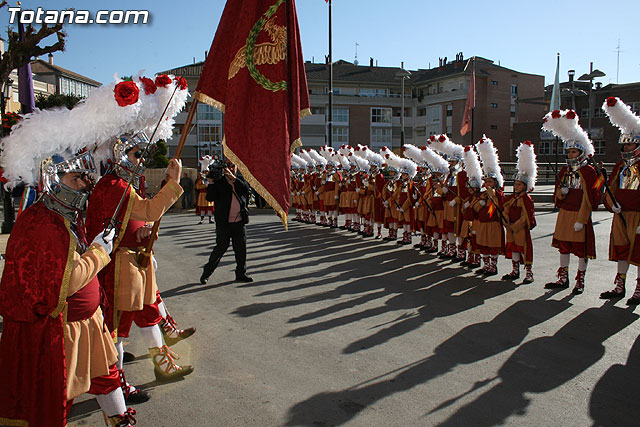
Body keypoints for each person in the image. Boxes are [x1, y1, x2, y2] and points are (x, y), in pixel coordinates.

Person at [0, 151, 135, 427]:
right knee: (60, 393)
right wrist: (99, 252)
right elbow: (65, 282)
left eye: (85, 178)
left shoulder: (66, 216)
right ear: (52, 180)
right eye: (76, 179)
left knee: (107, 375)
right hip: (61, 329)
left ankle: (119, 419)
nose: (85, 185)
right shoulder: (40, 222)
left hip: (89, 322)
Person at [86, 133, 195, 386]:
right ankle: (116, 384)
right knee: (116, 331)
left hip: (132, 264)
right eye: (137, 154)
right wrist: (174, 182)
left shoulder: (119, 185)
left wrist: (140, 231)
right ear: (121, 155)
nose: (142, 160)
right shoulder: (115, 187)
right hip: (118, 269)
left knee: (143, 317)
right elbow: (150, 209)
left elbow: (132, 220)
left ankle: (154, 364)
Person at [543, 109, 600, 294]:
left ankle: (580, 280)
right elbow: (556, 197)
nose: (570, 154)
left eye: (574, 151)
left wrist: (582, 219)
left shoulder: (589, 171)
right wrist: (561, 192)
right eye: (568, 151)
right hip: (565, 214)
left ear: (581, 152)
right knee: (564, 247)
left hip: (579, 215)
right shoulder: (564, 171)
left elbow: (590, 198)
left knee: (581, 250)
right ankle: (563, 277)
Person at [599, 96, 640, 304]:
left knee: (639, 252)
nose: (626, 150)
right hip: (621, 214)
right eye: (624, 147)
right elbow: (610, 188)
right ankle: (620, 284)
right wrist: (610, 204)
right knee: (621, 249)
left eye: (630, 146)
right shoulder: (620, 167)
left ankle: (639, 286)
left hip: (638, 217)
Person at [200, 160, 253, 284]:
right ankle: (206, 273)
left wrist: (233, 178)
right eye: (228, 166)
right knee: (220, 248)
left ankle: (241, 273)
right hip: (224, 223)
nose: (230, 168)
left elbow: (246, 189)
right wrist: (212, 183)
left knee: (241, 249)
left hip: (239, 222)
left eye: (233, 166)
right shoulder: (220, 182)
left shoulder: (240, 179)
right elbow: (209, 197)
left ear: (237, 167)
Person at [502, 141, 537, 283]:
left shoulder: (526, 199)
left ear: (525, 186)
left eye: (519, 184)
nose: (516, 187)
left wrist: (515, 226)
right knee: (514, 248)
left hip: (519, 228)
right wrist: (507, 223)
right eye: (515, 184)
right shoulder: (511, 198)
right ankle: (514, 270)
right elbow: (505, 210)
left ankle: (529, 273)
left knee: (524, 248)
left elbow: (526, 216)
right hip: (510, 227)